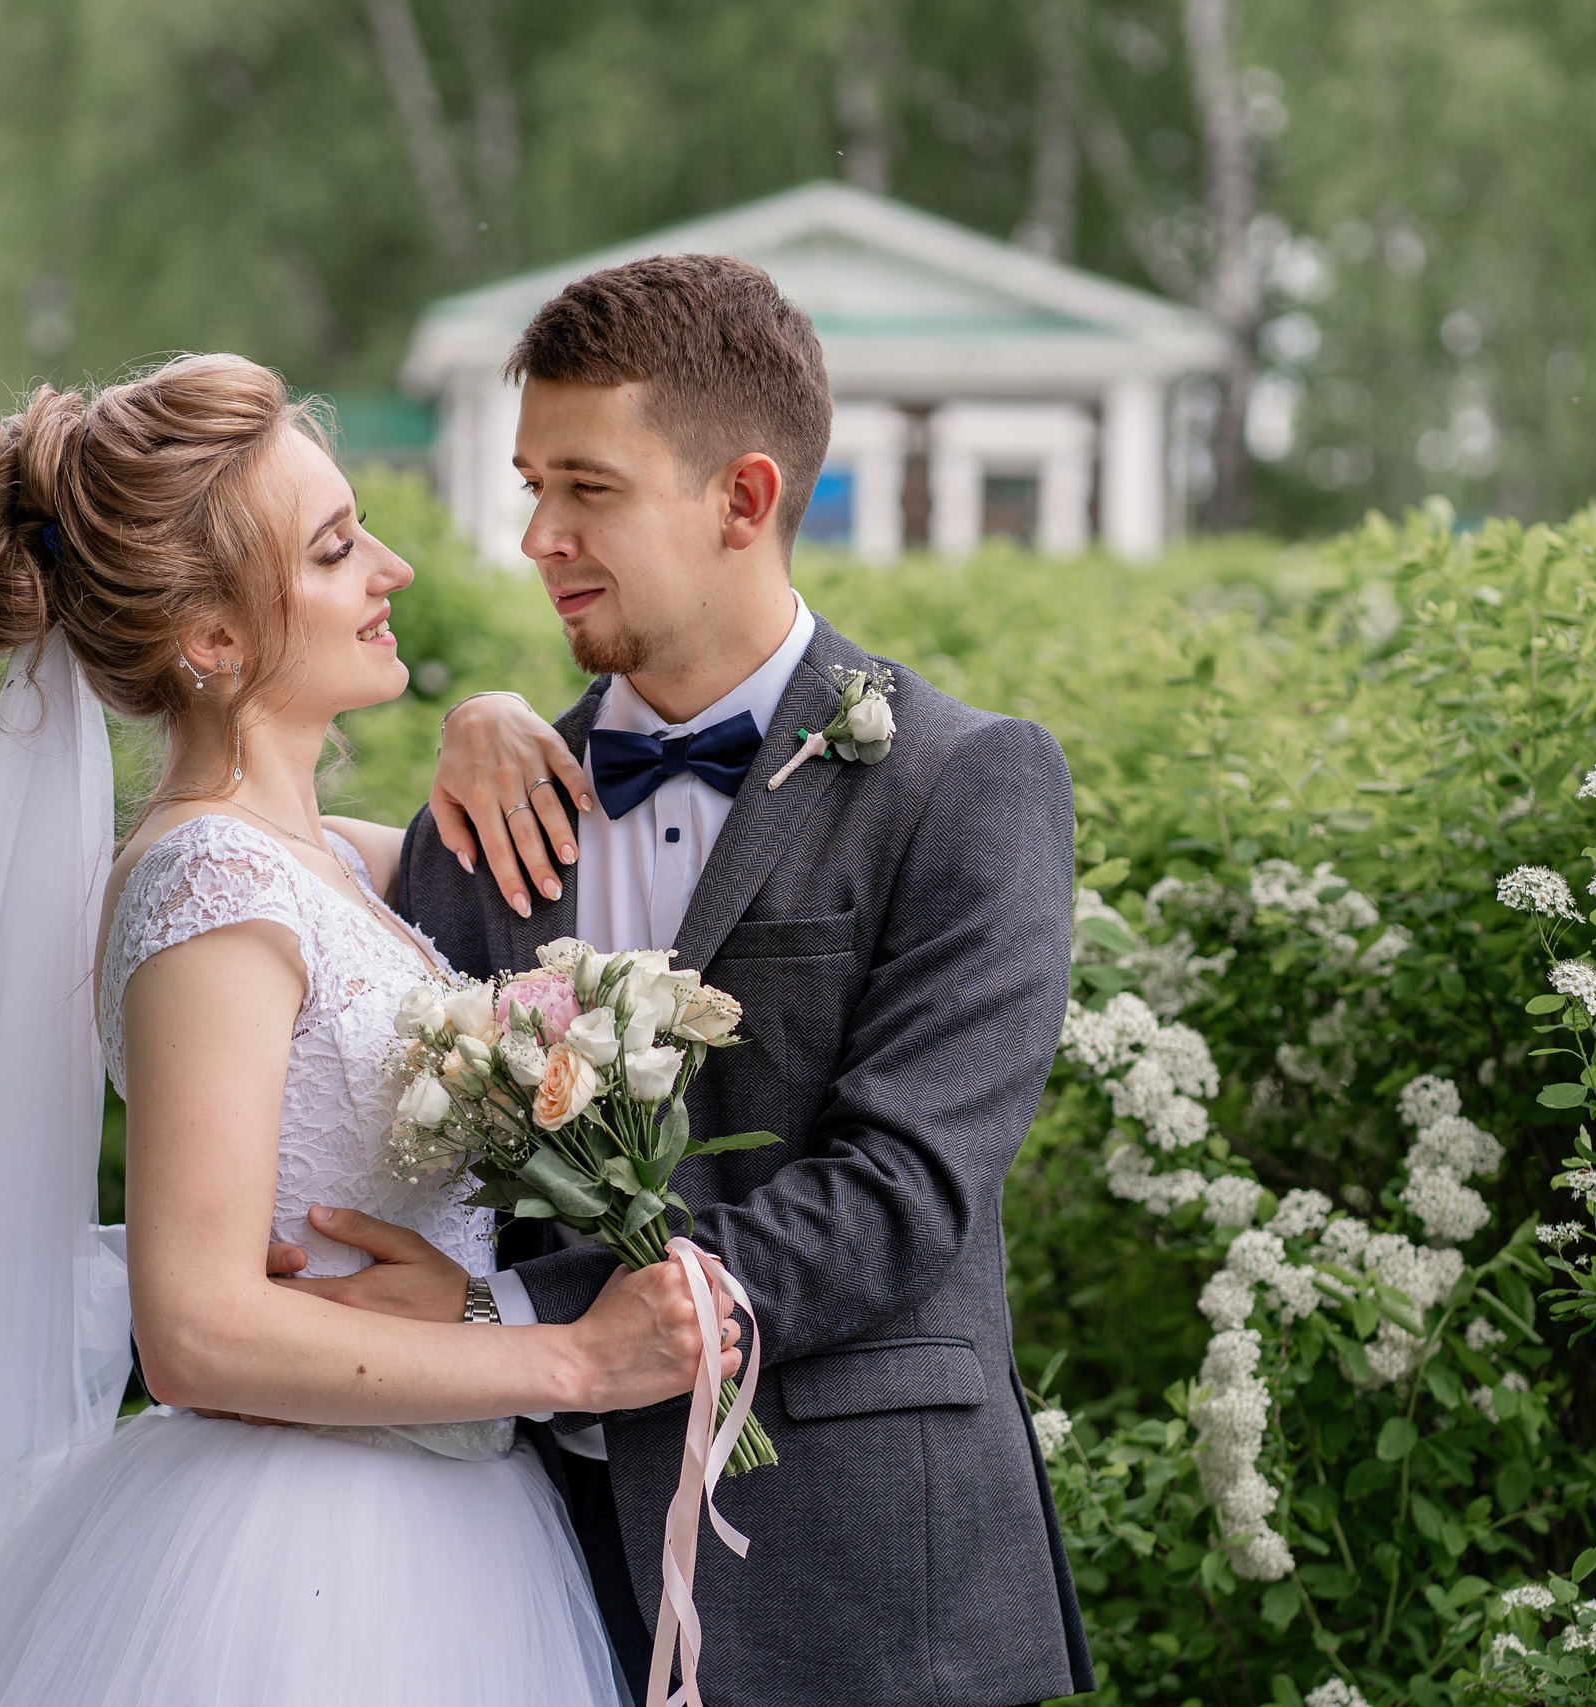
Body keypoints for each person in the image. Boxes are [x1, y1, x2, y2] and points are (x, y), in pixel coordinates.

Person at [0, 352, 738, 1707]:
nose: (391, 569)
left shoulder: (307, 861)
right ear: (212, 640)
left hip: (446, 1517)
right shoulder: (211, 894)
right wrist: (568, 1360)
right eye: (333, 551)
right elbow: (194, 1329)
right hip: (306, 1552)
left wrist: (491, 716)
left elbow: (468, 864)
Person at [316, 255, 1094, 1707]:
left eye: (588, 489)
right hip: (539, 1589)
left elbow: (901, 1192)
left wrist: (526, 1322)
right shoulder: (491, 816)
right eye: (530, 484)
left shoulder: (964, 782)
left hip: (874, 1597)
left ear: (743, 499)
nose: (539, 534)